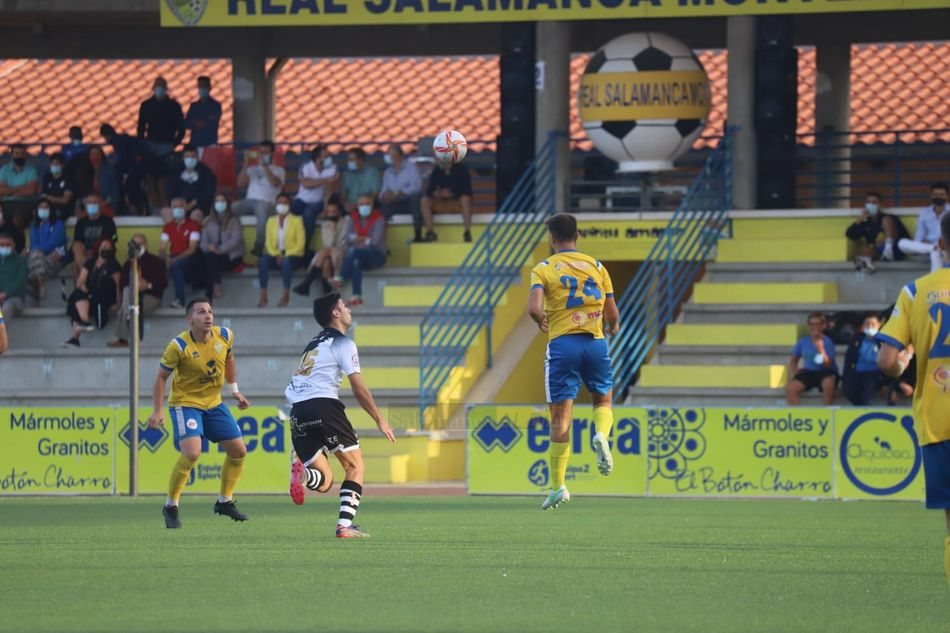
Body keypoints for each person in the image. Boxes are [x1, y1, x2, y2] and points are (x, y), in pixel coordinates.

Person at [527, 213, 620, 510]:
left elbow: (533, 307)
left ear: (552, 239)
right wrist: (612, 326)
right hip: (595, 343)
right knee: (602, 399)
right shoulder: (597, 266)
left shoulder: (543, 268)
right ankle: (602, 434)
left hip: (563, 345)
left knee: (560, 418)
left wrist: (539, 318)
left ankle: (558, 486)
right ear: (577, 236)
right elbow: (612, 312)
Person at [876, 211, 950, 585]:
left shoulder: (915, 291)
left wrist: (904, 360)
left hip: (939, 420)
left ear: (940, 244)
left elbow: (887, 361)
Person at [285, 293, 395, 538]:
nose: (349, 310)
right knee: (355, 466)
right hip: (323, 406)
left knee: (324, 481)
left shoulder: (313, 343)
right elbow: (359, 387)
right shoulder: (343, 343)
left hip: (298, 412)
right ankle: (344, 526)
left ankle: (303, 474)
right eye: (344, 306)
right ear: (336, 313)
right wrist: (379, 418)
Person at [147, 299, 251, 529]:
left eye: (210, 311)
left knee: (239, 450)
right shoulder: (179, 346)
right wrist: (157, 410)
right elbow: (161, 378)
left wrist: (234, 390)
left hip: (213, 404)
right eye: (201, 312)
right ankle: (170, 506)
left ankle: (224, 502)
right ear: (190, 319)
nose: (208, 316)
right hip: (186, 404)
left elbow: (229, 359)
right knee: (192, 453)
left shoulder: (224, 336)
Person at [109, 234, 168, 348]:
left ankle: (124, 333)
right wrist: (135, 285)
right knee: (127, 292)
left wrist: (147, 285)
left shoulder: (156, 261)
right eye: (133, 244)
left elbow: (163, 283)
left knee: (128, 302)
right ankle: (129, 316)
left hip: (150, 297)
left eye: (139, 244)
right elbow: (122, 285)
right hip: (131, 297)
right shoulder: (128, 264)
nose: (136, 247)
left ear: (145, 245)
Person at [63, 238, 121, 348]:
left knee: (76, 299)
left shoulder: (113, 264)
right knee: (78, 295)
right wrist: (83, 286)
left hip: (105, 298)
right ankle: (83, 324)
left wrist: (118, 302)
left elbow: (118, 285)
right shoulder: (90, 262)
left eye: (109, 247)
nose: (106, 248)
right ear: (98, 248)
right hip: (90, 296)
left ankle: (77, 334)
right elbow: (80, 281)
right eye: (104, 246)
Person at [137, 76, 185, 208]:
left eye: (162, 86)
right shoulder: (146, 105)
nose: (159, 89)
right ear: (153, 88)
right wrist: (143, 145)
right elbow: (141, 127)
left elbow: (181, 128)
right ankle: (154, 207)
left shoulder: (174, 106)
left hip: (167, 146)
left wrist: (174, 143)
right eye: (157, 86)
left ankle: (165, 205)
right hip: (150, 147)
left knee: (164, 180)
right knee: (151, 179)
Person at [232, 140, 285, 255]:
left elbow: (275, 183)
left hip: (268, 204)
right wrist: (246, 163)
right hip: (249, 201)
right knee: (231, 208)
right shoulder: (252, 169)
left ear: (272, 154)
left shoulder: (279, 170)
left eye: (266, 152)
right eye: (260, 152)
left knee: (261, 209)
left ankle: (259, 245)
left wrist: (265, 167)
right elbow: (240, 183)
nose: (262, 155)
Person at [294, 194, 350, 297]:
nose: (331, 214)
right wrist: (331, 230)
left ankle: (307, 283)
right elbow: (328, 243)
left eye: (333, 212)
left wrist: (335, 230)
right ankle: (328, 293)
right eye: (328, 212)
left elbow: (342, 243)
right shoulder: (326, 224)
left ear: (338, 212)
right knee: (326, 261)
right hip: (330, 254)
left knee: (325, 252)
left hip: (343, 253)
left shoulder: (346, 221)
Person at [338, 195, 387, 306]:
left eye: (367, 204)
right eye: (361, 204)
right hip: (359, 255)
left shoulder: (379, 219)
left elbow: (375, 242)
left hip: (377, 255)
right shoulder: (352, 218)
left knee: (354, 251)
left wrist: (356, 239)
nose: (364, 206)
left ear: (372, 205)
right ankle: (357, 295)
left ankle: (342, 277)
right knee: (356, 261)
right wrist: (365, 240)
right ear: (357, 206)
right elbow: (346, 238)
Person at [258, 193, 304, 308]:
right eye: (279, 203)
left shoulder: (297, 220)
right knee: (263, 260)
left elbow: (300, 244)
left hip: (293, 255)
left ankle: (285, 294)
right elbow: (268, 243)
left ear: (290, 205)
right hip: (276, 255)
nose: (282, 205)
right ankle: (263, 293)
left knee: (286, 262)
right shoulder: (271, 221)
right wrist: (277, 254)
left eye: (285, 203)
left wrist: (285, 256)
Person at [846, 192, 909, 271]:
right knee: (865, 249)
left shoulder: (891, 218)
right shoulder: (865, 223)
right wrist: (859, 220)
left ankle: (888, 252)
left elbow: (905, 237)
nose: (871, 205)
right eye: (868, 203)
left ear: (880, 205)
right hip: (877, 253)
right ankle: (864, 278)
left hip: (894, 250)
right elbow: (850, 234)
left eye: (874, 202)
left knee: (886, 220)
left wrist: (885, 239)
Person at [785, 312, 838, 405]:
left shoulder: (828, 342)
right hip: (809, 372)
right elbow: (794, 359)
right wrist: (794, 370)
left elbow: (828, 364)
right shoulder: (803, 342)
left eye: (817, 324)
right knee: (790, 388)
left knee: (829, 384)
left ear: (823, 326)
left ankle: (827, 412)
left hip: (825, 372)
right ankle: (798, 415)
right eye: (812, 324)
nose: (815, 327)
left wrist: (821, 349)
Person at [100, 123, 152, 216]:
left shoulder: (118, 142)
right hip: (139, 166)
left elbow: (124, 158)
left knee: (131, 188)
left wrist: (121, 170)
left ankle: (138, 208)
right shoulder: (123, 139)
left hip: (135, 168)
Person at [200, 195, 245, 301]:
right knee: (210, 258)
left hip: (232, 256)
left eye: (222, 201)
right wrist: (208, 247)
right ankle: (214, 287)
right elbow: (203, 241)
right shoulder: (208, 221)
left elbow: (235, 240)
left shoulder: (234, 220)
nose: (220, 203)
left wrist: (219, 250)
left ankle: (209, 294)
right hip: (214, 255)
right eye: (217, 201)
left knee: (211, 260)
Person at [898, 182, 949, 273]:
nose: (938, 197)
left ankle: (935, 285)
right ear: (931, 196)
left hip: (946, 250)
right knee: (902, 243)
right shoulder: (925, 213)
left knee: (936, 253)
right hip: (926, 249)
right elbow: (919, 238)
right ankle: (933, 247)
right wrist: (923, 242)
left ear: (947, 196)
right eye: (935, 194)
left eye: (941, 194)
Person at [161, 197, 202, 309]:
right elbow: (162, 248)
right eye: (175, 206)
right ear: (171, 209)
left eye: (181, 206)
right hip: (173, 256)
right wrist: (166, 258)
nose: (178, 209)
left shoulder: (193, 225)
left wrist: (175, 259)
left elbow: (192, 249)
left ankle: (180, 299)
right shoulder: (168, 227)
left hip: (190, 257)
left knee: (177, 265)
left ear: (186, 208)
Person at [420, 159, 474, 243]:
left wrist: (452, 193)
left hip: (456, 203)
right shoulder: (437, 170)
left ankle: (467, 232)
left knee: (465, 199)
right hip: (441, 203)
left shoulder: (461, 169)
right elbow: (429, 191)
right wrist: (437, 193)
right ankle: (430, 233)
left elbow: (467, 190)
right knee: (424, 201)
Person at [292, 144, 338, 241]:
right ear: (317, 158)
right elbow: (306, 184)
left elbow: (329, 191)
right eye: (326, 156)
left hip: (318, 202)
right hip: (301, 199)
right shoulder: (305, 166)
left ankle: (305, 246)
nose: (329, 158)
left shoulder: (332, 168)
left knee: (308, 214)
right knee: (290, 212)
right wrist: (325, 180)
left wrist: (325, 208)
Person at [841, 314, 886, 406]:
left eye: (873, 324)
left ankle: (865, 410)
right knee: (848, 389)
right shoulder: (856, 338)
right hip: (857, 371)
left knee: (868, 390)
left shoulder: (883, 340)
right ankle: (860, 408)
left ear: (879, 325)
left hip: (874, 373)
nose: (870, 326)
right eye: (867, 324)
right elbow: (849, 358)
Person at [27, 198, 67, 301]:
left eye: (45, 207)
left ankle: (37, 294)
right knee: (36, 255)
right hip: (42, 259)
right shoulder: (34, 225)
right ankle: (41, 286)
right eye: (40, 207)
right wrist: (38, 251)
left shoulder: (59, 224)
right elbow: (33, 244)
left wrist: (37, 250)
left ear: (51, 209)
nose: (43, 209)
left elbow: (53, 244)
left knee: (34, 259)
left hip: (56, 259)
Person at [71, 195, 118, 279]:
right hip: (84, 254)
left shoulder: (108, 221)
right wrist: (86, 251)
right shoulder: (81, 223)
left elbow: (113, 240)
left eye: (94, 202)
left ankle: (87, 279)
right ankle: (89, 278)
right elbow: (77, 242)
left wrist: (94, 250)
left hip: (101, 252)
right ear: (86, 205)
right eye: (89, 202)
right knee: (76, 249)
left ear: (100, 205)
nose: (92, 205)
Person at [167, 145, 217, 219]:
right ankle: (172, 230)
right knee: (166, 211)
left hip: (199, 206)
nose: (190, 159)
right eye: (187, 157)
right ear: (183, 158)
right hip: (178, 205)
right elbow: (169, 190)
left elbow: (208, 192)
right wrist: (178, 204)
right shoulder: (176, 171)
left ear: (197, 157)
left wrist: (191, 204)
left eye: (193, 156)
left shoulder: (206, 172)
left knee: (196, 214)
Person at [0, 143, 40, 229]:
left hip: (25, 203)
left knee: (17, 220)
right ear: (12, 155)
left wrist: (9, 190)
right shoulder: (4, 169)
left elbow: (30, 191)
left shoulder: (31, 170)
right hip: (6, 203)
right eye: (17, 153)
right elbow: (1, 191)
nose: (20, 156)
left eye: (22, 154)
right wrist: (20, 188)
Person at [378, 144, 422, 221]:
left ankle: (418, 232)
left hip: (408, 201)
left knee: (415, 200)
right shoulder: (388, 172)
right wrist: (384, 196)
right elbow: (383, 190)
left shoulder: (411, 167)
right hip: (394, 203)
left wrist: (398, 193)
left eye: (388, 154)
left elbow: (416, 187)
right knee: (381, 211)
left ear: (398, 156)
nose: (386, 157)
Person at [74, 145, 120, 217]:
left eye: (97, 153)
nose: (95, 156)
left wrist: (100, 205)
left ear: (101, 155)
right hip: (87, 205)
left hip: (105, 205)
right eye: (92, 154)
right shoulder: (84, 172)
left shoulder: (109, 171)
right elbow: (81, 194)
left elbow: (114, 195)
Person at [184, 76, 221, 156]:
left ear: (210, 88)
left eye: (204, 86)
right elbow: (187, 123)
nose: (202, 89)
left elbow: (212, 123)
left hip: (210, 145)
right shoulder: (194, 106)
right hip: (195, 145)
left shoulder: (215, 106)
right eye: (200, 86)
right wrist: (197, 123)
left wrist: (197, 122)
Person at [340, 147, 380, 213]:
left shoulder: (373, 172)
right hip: (349, 207)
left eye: (352, 160)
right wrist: (346, 205)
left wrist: (361, 205)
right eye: (348, 160)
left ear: (360, 160)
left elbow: (375, 193)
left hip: (367, 206)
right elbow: (343, 194)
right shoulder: (346, 174)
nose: (349, 162)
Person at [0, 233, 27, 321]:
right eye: (2, 245)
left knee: (6, 308)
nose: (5, 247)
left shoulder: (20, 261)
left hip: (15, 299)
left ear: (13, 245)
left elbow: (21, 282)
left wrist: (6, 294)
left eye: (8, 245)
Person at [41, 153, 76, 220]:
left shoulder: (68, 178)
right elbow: (43, 196)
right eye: (52, 164)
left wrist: (50, 198)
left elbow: (65, 200)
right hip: (49, 207)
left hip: (63, 209)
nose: (54, 166)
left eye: (57, 164)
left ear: (62, 165)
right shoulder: (47, 177)